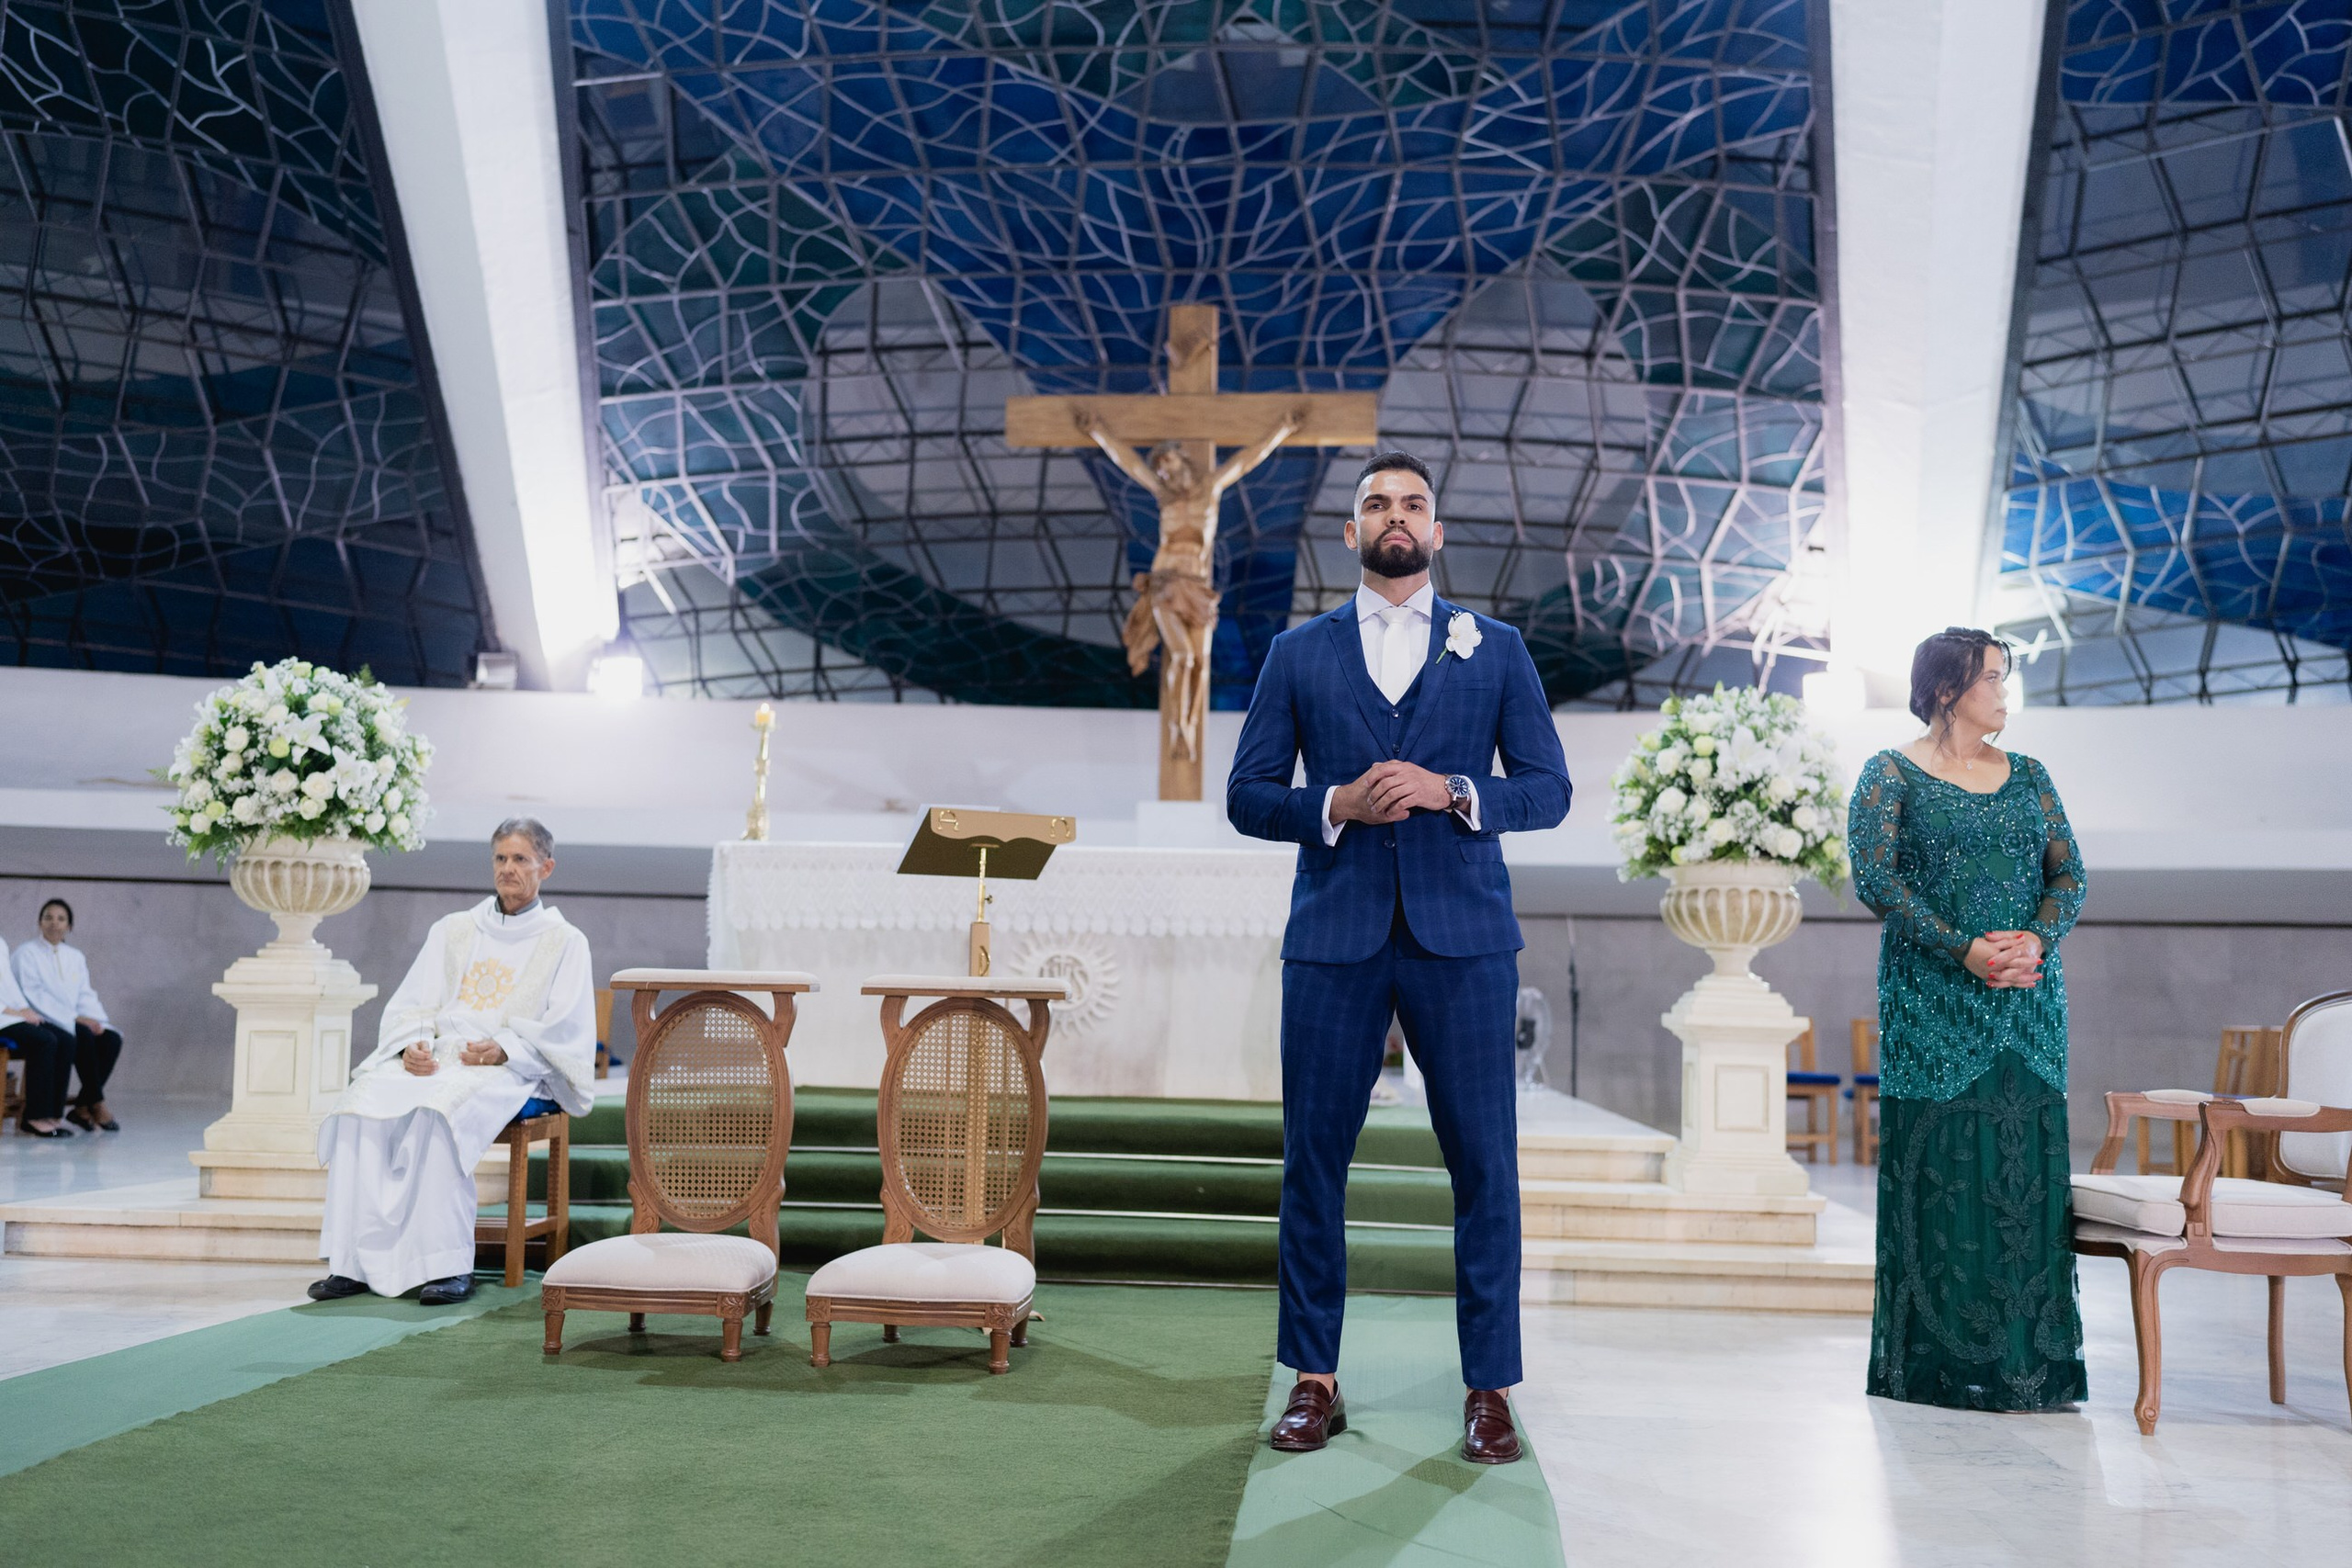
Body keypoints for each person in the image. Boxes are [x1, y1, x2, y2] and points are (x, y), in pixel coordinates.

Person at [1227, 449, 1571, 1463]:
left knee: (1485, 1166)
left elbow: (1547, 789)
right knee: (1313, 1163)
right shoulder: (1298, 652)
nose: (1396, 515)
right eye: (1376, 503)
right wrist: (1333, 804)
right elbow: (1248, 795)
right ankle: (1313, 1380)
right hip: (1334, 937)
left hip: (1463, 939)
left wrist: (1454, 791)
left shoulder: (1496, 648)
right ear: (1350, 533)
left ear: (1436, 530)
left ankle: (1489, 1388)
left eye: (1413, 503)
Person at [1850, 626, 2088, 1412]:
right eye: (1991, 677)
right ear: (1947, 689)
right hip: (1932, 1006)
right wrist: (1966, 949)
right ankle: (1939, 1369)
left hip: (2028, 1001)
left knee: (2023, 1179)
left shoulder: (2032, 775)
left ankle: (2032, 1368)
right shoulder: (1890, 774)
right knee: (1947, 1175)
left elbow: (2070, 873)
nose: (2004, 691)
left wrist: (2036, 939)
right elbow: (1876, 879)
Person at [309, 819, 594, 1305]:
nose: (507, 869)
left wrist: (506, 1049)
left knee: (438, 1112)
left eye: (520, 859)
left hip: (512, 1067)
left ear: (546, 867)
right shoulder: (454, 929)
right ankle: (351, 1262)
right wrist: (411, 1045)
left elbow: (566, 1029)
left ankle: (447, 1266)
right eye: (500, 858)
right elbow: (412, 1004)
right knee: (359, 1105)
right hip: (442, 1056)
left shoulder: (565, 941)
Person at [12, 898, 124, 1132]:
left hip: (72, 1017)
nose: (54, 923)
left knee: (111, 1038)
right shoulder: (26, 953)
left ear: (69, 926)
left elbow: (84, 993)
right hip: (44, 1017)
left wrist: (95, 1019)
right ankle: (95, 1103)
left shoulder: (75, 956)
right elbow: (33, 994)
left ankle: (83, 1106)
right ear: (40, 923)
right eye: (48, 917)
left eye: (61, 919)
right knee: (81, 1034)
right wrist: (74, 1019)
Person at [1, 953, 75, 1137]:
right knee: (44, 1041)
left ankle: (53, 1113)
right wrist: (12, 1012)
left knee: (66, 1040)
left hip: (10, 1015)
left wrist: (23, 1007)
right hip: (3, 1016)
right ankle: (34, 1117)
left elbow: (7, 981)